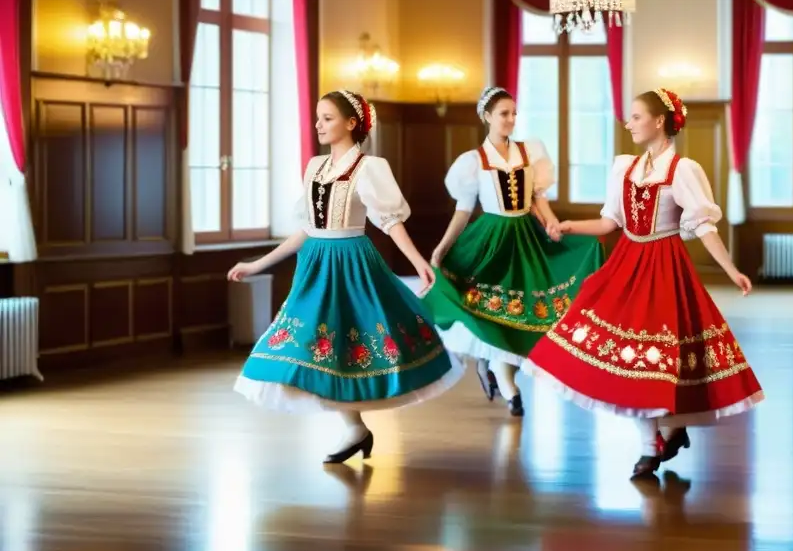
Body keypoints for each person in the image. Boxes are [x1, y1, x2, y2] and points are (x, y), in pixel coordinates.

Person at [522, 88, 764, 479]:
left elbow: (703, 225)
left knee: (657, 357)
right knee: (623, 354)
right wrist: (568, 225)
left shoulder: (682, 170)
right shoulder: (626, 168)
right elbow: (611, 223)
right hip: (627, 265)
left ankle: (657, 438)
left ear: (659, 121)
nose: (628, 123)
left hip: (665, 268)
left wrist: (730, 268)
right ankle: (661, 435)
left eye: (635, 117)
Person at [229, 90, 462, 464]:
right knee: (307, 342)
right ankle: (353, 428)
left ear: (351, 123)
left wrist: (419, 261)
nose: (318, 125)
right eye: (318, 118)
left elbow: (390, 221)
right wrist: (259, 263)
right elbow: (307, 228)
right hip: (315, 264)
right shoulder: (314, 168)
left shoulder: (370, 168)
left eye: (327, 118)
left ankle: (353, 428)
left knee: (348, 342)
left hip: (352, 263)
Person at [422, 86, 605, 417]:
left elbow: (539, 200)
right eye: (504, 113)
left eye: (514, 113)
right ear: (487, 116)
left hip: (526, 237)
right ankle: (502, 377)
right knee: (495, 305)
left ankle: (503, 374)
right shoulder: (472, 162)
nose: (510, 119)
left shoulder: (530, 151)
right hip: (491, 240)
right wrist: (442, 248)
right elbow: (463, 211)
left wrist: (552, 225)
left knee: (525, 310)